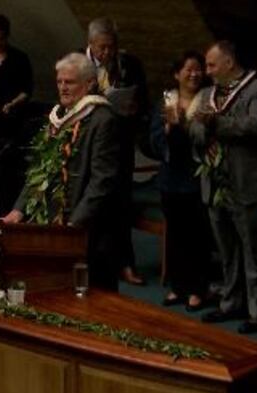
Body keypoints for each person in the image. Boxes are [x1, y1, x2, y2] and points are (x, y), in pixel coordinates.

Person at [2, 53, 124, 291]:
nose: (63, 87)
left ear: (89, 84)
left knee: (90, 296)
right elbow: (39, 171)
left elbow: (102, 180)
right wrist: (18, 209)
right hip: (50, 220)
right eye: (59, 82)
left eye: (69, 82)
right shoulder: (57, 118)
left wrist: (73, 227)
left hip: (86, 228)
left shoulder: (102, 119)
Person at [192, 41, 257, 334]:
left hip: (247, 182)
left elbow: (256, 126)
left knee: (253, 250)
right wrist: (200, 127)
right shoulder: (207, 93)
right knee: (227, 249)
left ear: (229, 62)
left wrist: (216, 123)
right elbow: (197, 129)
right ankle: (231, 302)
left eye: (212, 65)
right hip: (215, 182)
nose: (207, 71)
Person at [85, 17, 149, 286]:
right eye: (102, 48)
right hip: (89, 145)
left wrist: (135, 109)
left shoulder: (129, 64)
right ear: (90, 44)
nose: (107, 53)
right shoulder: (76, 63)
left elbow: (144, 99)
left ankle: (126, 263)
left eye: (112, 47)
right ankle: (89, 261)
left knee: (122, 204)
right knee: (92, 203)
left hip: (120, 144)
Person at [148, 50, 212, 311]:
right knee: (174, 234)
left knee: (197, 235)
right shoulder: (166, 102)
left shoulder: (208, 101)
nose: (194, 73)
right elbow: (153, 139)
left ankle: (197, 289)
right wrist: (165, 132)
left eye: (198, 69)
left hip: (197, 177)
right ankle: (178, 286)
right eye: (188, 69)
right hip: (170, 178)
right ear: (177, 74)